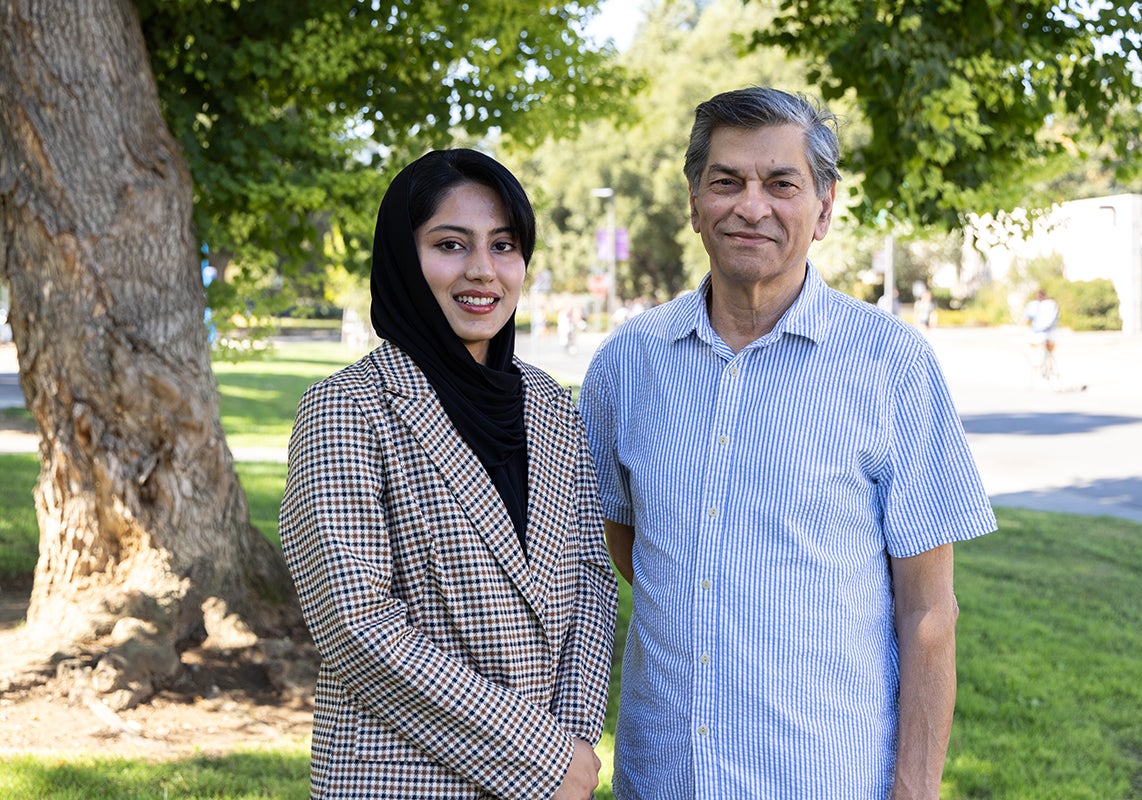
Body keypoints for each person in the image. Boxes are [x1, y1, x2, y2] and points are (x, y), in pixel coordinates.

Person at [579, 87, 997, 799]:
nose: (751, 205)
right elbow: (628, 547)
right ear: (694, 200)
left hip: (827, 777)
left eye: (781, 184)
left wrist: (917, 788)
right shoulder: (627, 361)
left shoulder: (892, 364)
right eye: (727, 181)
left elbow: (929, 613)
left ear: (825, 208)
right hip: (663, 778)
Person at [280, 149, 619, 800]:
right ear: (404, 259)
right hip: (402, 778)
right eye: (450, 244)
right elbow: (358, 628)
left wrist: (572, 749)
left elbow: (592, 587)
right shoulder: (347, 410)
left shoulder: (550, 405)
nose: (482, 271)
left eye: (503, 245)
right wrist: (544, 759)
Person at [1022, 287, 1059, 359]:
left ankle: (1036, 364)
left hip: (1038, 333)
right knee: (1050, 349)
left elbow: (1026, 320)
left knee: (1031, 345)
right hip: (1052, 332)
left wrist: (1025, 327)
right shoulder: (1052, 303)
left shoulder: (1033, 304)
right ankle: (1050, 362)